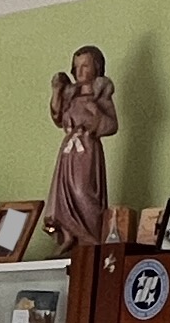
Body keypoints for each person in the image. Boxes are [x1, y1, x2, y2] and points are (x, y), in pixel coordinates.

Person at [47, 45, 118, 249]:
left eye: (85, 66)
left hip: (87, 150)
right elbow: (58, 117)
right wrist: (56, 91)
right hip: (68, 152)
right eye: (76, 66)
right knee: (63, 194)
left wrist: (95, 113)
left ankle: (90, 237)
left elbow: (112, 125)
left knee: (82, 191)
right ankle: (68, 236)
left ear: (96, 68)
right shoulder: (70, 95)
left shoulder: (100, 94)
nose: (80, 71)